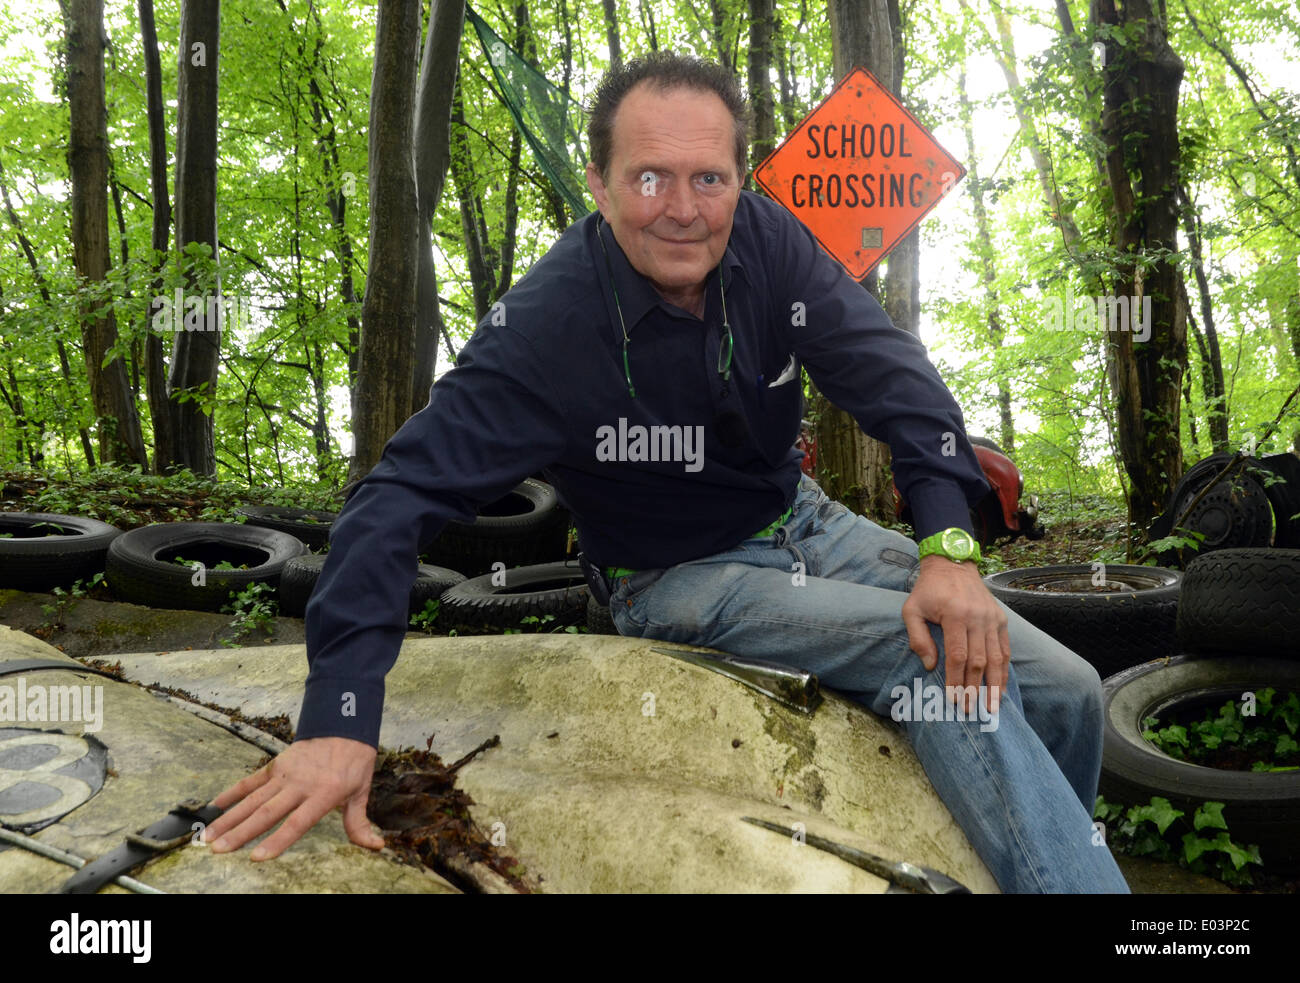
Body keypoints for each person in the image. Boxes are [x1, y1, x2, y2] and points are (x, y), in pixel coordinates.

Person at [204, 52, 1129, 893]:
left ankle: (1033, 855)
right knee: (929, 648)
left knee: (1068, 686)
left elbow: (900, 383)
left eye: (708, 178)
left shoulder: (771, 244)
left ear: (738, 180)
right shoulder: (545, 332)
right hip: (676, 574)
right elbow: (389, 499)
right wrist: (339, 715)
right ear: (601, 183)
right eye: (649, 177)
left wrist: (951, 548)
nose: (682, 207)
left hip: (805, 522)